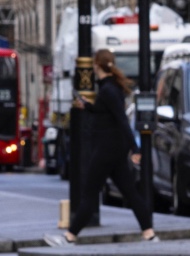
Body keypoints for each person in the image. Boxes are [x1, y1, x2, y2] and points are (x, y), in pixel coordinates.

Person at [46, 49, 156, 246]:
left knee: (89, 194)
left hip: (106, 151)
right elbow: (104, 112)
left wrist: (135, 148)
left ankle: (69, 237)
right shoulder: (110, 88)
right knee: (130, 192)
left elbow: (122, 120)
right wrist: (87, 106)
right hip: (114, 151)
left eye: (94, 65)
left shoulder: (108, 90)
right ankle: (148, 233)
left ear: (97, 65)